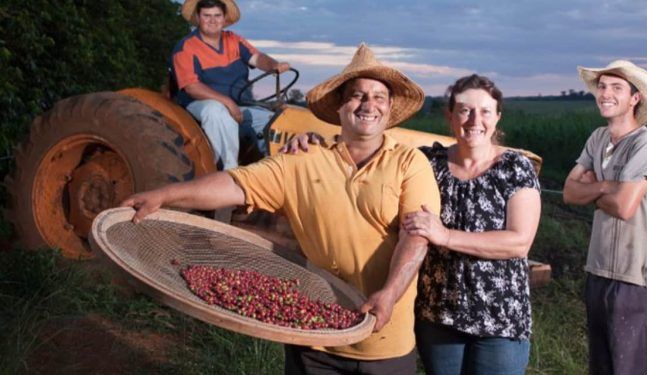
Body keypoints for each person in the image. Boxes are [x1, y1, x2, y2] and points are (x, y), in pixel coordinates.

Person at [123, 43, 440, 374]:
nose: (368, 104)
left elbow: (416, 236)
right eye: (357, 95)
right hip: (315, 336)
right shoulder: (302, 161)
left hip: (385, 343)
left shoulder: (410, 162)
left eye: (378, 97)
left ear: (389, 109)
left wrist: (389, 294)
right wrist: (164, 195)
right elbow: (234, 184)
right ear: (340, 106)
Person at [282, 74, 542, 375]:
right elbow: (369, 147)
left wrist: (444, 236)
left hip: (499, 317)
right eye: (464, 110)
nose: (474, 120)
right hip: (438, 313)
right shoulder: (428, 163)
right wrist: (314, 142)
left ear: (497, 117)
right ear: (450, 115)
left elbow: (519, 242)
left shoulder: (515, 167)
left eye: (485, 111)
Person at [562, 60, 647, 375]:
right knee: (602, 365)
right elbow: (568, 192)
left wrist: (592, 189)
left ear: (635, 98)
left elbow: (624, 207)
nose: (605, 93)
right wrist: (608, 186)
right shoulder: (598, 138)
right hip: (598, 266)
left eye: (616, 87)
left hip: (634, 275)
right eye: (603, 86)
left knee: (633, 368)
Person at [172, 0, 290, 170]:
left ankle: (276, 171)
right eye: (207, 15)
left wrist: (274, 65)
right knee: (216, 110)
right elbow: (192, 87)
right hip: (199, 105)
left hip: (238, 104)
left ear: (224, 18)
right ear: (198, 18)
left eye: (217, 15)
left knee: (275, 121)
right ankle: (229, 172)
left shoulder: (233, 40)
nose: (212, 20)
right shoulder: (186, 47)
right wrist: (227, 103)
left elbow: (257, 58)